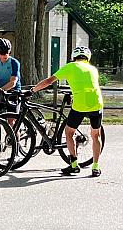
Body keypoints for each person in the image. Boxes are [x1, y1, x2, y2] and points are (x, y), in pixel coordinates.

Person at [31, 45, 103, 177]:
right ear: (88, 58)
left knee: (69, 133)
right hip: (96, 103)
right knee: (95, 136)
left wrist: (33, 90)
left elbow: (49, 81)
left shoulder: (70, 67)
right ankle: (95, 167)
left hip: (80, 104)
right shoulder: (93, 69)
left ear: (73, 57)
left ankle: (74, 165)